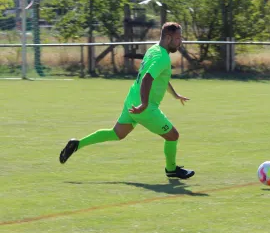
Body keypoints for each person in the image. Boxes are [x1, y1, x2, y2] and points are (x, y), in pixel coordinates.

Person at [59, 22, 195, 179]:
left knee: (117, 133)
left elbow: (160, 77)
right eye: (178, 38)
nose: (181, 42)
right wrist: (144, 104)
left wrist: (175, 94)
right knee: (173, 136)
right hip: (144, 107)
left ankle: (77, 144)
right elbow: (147, 78)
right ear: (169, 37)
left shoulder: (153, 50)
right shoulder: (162, 58)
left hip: (131, 100)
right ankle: (171, 169)